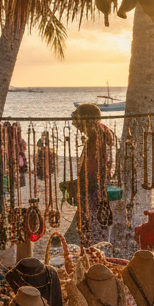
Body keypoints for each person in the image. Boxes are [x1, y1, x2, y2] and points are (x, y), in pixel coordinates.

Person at [66, 103, 114, 246]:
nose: (81, 131)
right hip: (96, 184)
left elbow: (92, 168)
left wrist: (79, 185)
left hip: (93, 187)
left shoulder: (96, 138)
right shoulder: (102, 132)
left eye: (81, 127)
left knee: (89, 223)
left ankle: (89, 247)